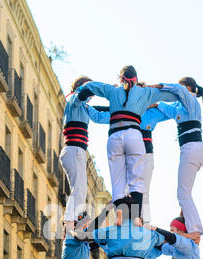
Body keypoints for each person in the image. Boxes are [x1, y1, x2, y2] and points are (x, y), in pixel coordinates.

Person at [77, 66, 177, 219]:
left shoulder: (112, 90)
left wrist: (80, 96)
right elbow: (171, 96)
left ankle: (121, 216)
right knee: (137, 179)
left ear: (120, 78)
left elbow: (92, 86)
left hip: (114, 136)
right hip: (134, 136)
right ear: (136, 79)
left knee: (117, 182)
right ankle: (136, 218)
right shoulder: (145, 93)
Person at [86, 99, 170, 223]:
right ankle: (126, 217)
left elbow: (172, 111)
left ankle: (144, 220)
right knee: (125, 187)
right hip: (126, 153)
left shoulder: (152, 112)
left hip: (145, 153)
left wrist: (156, 104)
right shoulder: (125, 111)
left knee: (142, 189)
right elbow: (103, 111)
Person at [154, 77, 203, 235]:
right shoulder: (179, 109)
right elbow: (164, 108)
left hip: (192, 148)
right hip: (192, 149)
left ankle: (195, 230)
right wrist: (154, 103)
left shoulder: (191, 100)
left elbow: (178, 90)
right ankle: (188, 223)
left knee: (182, 194)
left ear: (189, 88)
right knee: (185, 193)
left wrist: (156, 86)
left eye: (183, 88)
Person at [59, 76, 92, 231]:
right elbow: (80, 97)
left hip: (77, 151)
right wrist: (90, 88)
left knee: (81, 189)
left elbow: (101, 114)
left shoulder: (85, 108)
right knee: (78, 188)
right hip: (74, 150)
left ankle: (75, 218)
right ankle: (69, 221)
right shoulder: (73, 100)